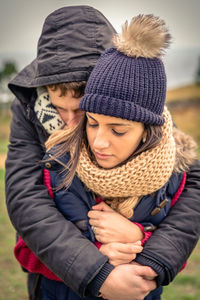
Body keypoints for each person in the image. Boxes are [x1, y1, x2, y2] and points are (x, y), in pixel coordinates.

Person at [5, 6, 200, 300]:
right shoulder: (30, 107)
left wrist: (143, 246)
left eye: (82, 109)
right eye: (59, 108)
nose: (71, 122)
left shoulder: (134, 99)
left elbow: (188, 186)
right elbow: (24, 198)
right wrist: (96, 271)